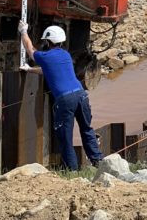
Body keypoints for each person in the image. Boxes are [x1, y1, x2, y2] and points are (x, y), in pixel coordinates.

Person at [19, 23, 104, 170]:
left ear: (47, 41)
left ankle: (72, 171)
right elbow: (49, 71)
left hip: (65, 100)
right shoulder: (65, 55)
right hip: (81, 95)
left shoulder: (45, 56)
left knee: (65, 138)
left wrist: (23, 31)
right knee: (87, 129)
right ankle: (98, 162)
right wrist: (30, 70)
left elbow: (29, 48)